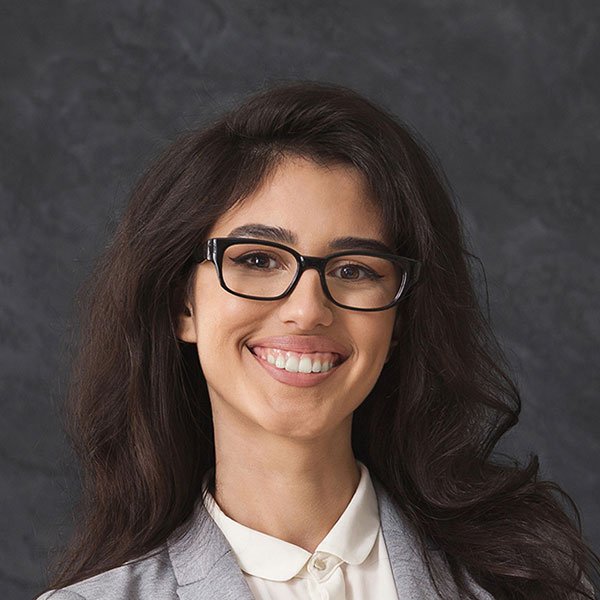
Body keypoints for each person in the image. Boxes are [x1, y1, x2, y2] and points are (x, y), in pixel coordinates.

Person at [37, 81, 597, 600]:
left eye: (355, 269)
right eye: (258, 260)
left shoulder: (534, 584)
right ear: (182, 305)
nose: (307, 311)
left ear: (399, 319)